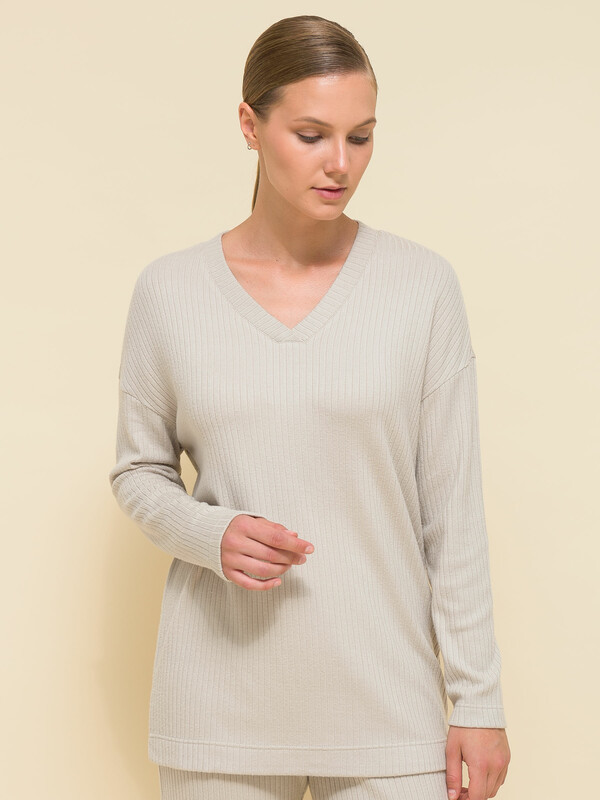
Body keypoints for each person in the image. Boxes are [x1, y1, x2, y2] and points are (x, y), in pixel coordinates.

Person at [108, 14, 511, 800]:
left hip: (388, 708)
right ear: (249, 126)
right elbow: (138, 470)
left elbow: (453, 513)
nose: (340, 163)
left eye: (361, 137)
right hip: (218, 712)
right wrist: (209, 533)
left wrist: (478, 701)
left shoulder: (421, 288)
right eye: (311, 134)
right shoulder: (170, 292)